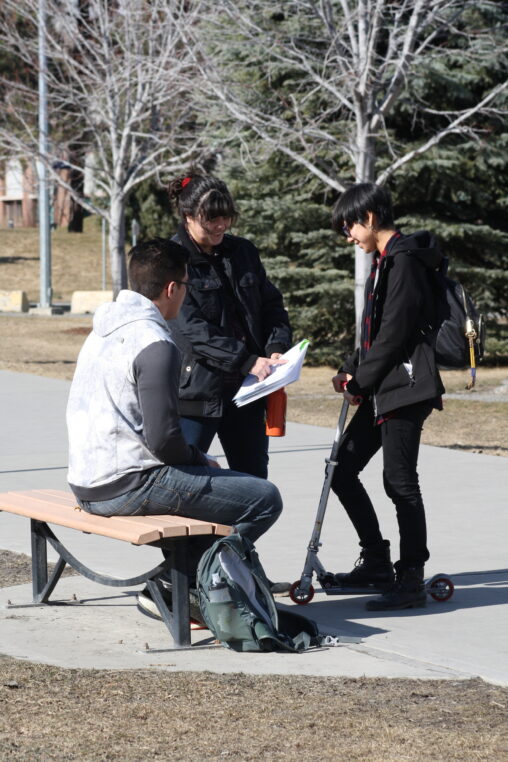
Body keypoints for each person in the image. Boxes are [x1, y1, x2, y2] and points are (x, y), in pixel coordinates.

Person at [66, 238, 283, 621]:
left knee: (212, 500)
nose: (186, 294)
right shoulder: (155, 342)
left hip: (86, 481)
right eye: (186, 285)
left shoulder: (103, 327)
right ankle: (186, 589)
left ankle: (184, 584)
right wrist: (203, 461)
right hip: (128, 484)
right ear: (171, 289)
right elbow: (164, 441)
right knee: (263, 497)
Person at [329, 183, 445, 611]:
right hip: (385, 386)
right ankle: (376, 561)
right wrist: (350, 368)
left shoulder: (405, 262)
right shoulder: (384, 262)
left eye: (349, 227)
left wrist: (360, 381)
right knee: (341, 470)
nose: (348, 237)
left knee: (399, 482)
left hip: (407, 387)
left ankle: (411, 577)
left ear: (370, 219)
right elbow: (373, 331)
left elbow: (395, 334)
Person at [167, 173, 292, 482]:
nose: (221, 225)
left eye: (226, 217)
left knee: (254, 484)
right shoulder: (172, 260)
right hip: (196, 395)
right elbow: (191, 330)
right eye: (212, 219)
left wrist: (276, 348)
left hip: (248, 392)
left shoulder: (243, 252)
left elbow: (272, 306)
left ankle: (236, 534)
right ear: (188, 216)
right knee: (187, 483)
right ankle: (200, 534)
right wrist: (247, 359)